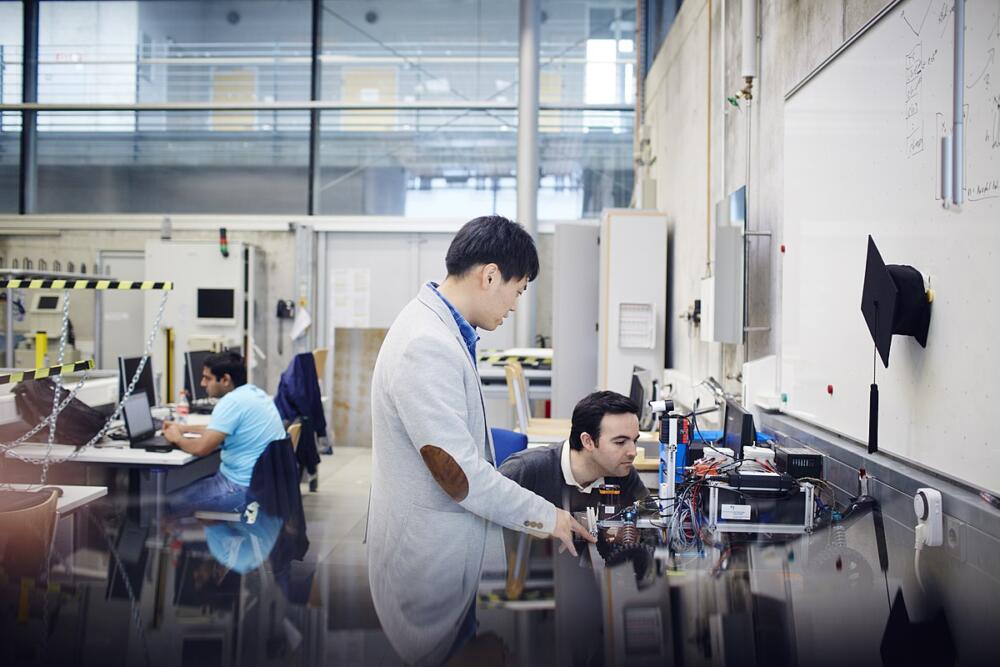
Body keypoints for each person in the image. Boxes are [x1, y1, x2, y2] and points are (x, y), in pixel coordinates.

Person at [368, 215, 595, 666]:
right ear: (490, 275)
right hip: (427, 569)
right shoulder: (426, 345)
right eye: (519, 288)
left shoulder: (441, 329)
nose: (515, 304)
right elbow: (459, 477)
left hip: (439, 557)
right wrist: (548, 517)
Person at [163, 351, 287, 516]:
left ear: (226, 380)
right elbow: (218, 430)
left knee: (166, 504)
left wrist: (177, 438)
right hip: (263, 485)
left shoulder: (232, 402)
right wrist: (183, 428)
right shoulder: (253, 393)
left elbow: (201, 448)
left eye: (207, 378)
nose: (202, 383)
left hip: (240, 489)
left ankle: (178, 540)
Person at [498, 390, 648, 513]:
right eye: (620, 442)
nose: (632, 452)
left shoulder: (621, 472)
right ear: (587, 441)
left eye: (634, 441)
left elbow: (652, 526)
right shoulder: (526, 469)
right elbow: (485, 511)